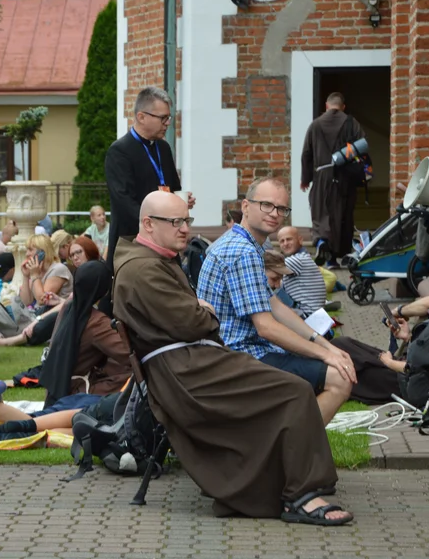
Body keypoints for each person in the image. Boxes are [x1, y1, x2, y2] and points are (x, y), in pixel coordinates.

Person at [114, 190, 351, 525]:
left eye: (186, 220)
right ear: (149, 225)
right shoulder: (143, 270)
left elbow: (198, 318)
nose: (185, 229)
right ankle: (300, 496)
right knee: (294, 391)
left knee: (291, 387)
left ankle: (291, 479)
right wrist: (204, 313)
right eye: (176, 222)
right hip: (187, 375)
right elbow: (197, 322)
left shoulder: (149, 260)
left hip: (190, 363)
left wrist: (202, 312)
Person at [197, 178, 356, 425]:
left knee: (334, 359)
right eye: (267, 205)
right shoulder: (243, 252)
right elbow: (266, 327)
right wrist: (326, 356)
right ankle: (291, 450)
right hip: (238, 357)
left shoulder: (246, 245)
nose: (275, 213)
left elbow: (275, 305)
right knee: (339, 378)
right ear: (246, 206)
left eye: (281, 209)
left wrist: (326, 346)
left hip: (239, 351)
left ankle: (284, 443)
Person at [104, 87, 194, 275]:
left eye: (168, 118)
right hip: (134, 241)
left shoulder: (163, 147)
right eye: (162, 118)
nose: (167, 123)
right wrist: (156, 224)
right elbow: (124, 201)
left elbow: (173, 188)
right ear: (141, 117)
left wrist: (181, 202)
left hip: (165, 238)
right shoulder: (119, 151)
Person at [39, 260, 132, 404]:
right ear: (105, 289)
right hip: (77, 390)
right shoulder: (96, 322)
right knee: (136, 372)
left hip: (57, 388)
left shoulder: (69, 306)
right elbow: (129, 354)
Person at [300, 92, 370, 268]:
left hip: (321, 177)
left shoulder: (315, 125)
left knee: (321, 215)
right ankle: (336, 258)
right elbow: (362, 149)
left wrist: (305, 179)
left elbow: (306, 154)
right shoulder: (351, 122)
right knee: (342, 216)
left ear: (326, 105)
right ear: (343, 107)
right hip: (344, 177)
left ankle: (322, 244)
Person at [277, 226, 328, 318]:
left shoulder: (298, 260)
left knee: (269, 292)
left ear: (300, 240)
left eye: (289, 239)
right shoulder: (303, 256)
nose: (285, 243)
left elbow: (268, 268)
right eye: (282, 241)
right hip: (313, 313)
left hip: (307, 315)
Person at [19, 234, 73, 308]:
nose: (27, 254)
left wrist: (35, 276)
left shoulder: (58, 269)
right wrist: (25, 276)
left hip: (58, 316)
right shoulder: (37, 270)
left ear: (42, 253)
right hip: (42, 315)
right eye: (27, 250)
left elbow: (42, 300)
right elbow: (26, 302)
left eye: (30, 250)